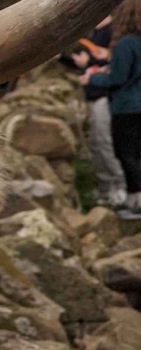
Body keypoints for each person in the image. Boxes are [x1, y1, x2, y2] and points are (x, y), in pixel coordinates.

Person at [85, 0, 141, 216]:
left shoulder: (125, 44)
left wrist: (92, 79)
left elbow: (118, 78)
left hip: (127, 107)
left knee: (126, 154)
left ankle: (135, 202)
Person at [66, 16, 126, 207]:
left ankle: (121, 188)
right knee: (97, 144)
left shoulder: (114, 31)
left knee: (106, 142)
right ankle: (106, 188)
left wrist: (91, 63)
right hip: (93, 95)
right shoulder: (93, 31)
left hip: (106, 96)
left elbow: (114, 64)